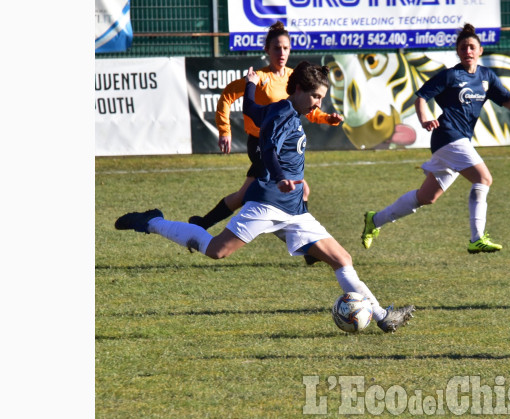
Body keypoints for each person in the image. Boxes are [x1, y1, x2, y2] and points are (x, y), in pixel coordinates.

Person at [115, 61, 415, 333]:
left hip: (295, 209)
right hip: (268, 202)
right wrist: (281, 175)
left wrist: (249, 84)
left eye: (321, 97)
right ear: (297, 89)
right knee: (217, 250)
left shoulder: (280, 109)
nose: (318, 103)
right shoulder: (283, 116)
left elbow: (249, 109)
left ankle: (381, 316)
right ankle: (152, 221)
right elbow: (270, 148)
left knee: (342, 259)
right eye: (315, 96)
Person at [361, 23, 510, 254]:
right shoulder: (451, 75)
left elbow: (506, 101)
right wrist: (425, 119)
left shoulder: (487, 76)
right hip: (448, 136)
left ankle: (375, 220)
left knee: (427, 197)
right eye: (463, 48)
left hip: (459, 139)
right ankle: (477, 237)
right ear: (458, 51)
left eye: (472, 47)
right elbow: (421, 98)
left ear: (480, 50)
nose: (468, 52)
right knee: (484, 178)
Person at [188, 21, 342, 234]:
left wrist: (327, 118)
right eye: (276, 48)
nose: (282, 52)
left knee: (251, 194)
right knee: (295, 189)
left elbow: (308, 110)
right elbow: (227, 96)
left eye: (286, 48)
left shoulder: (294, 77)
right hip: (262, 143)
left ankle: (201, 224)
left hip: (284, 145)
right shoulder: (259, 77)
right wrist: (225, 130)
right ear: (267, 50)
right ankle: (306, 241)